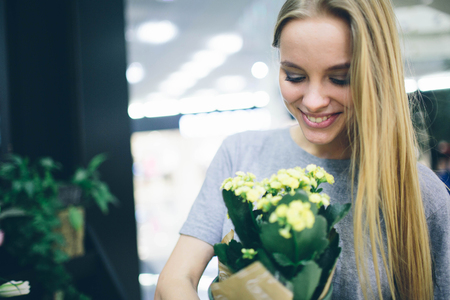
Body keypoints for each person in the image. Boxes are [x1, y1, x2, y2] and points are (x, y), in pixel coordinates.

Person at [155, 0, 450, 299]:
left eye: (340, 79)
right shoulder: (241, 154)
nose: (313, 101)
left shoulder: (422, 196)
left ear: (377, 74)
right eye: (294, 76)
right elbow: (175, 279)